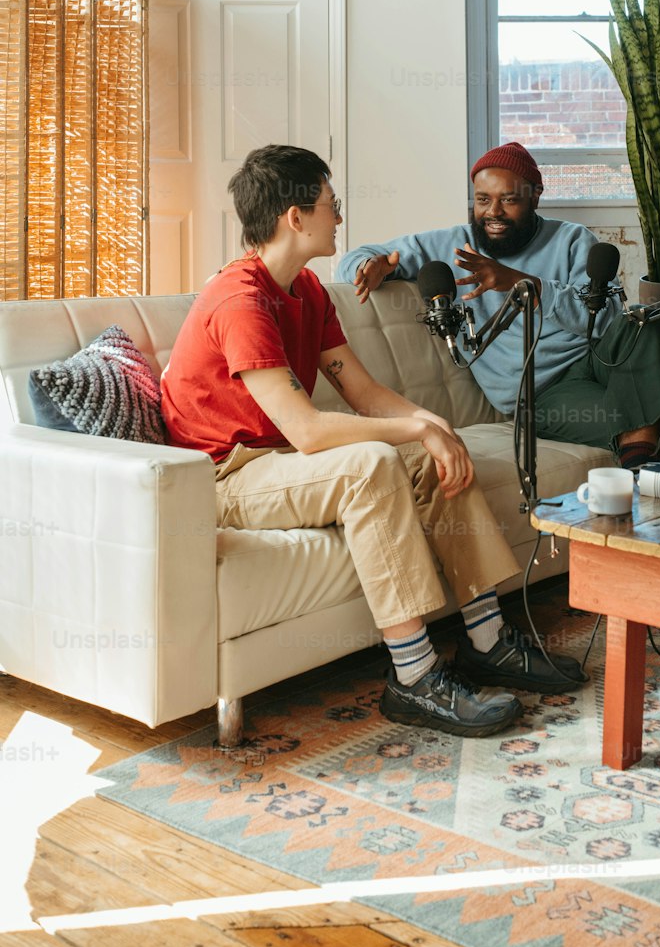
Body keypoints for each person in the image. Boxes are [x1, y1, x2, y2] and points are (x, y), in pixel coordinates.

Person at [160, 144, 585, 740]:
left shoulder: (306, 290)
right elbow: (306, 429)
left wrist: (434, 429)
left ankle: (489, 642)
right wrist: (413, 429)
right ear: (295, 217)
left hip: (277, 461)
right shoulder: (241, 300)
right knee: (371, 464)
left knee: (427, 450)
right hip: (227, 475)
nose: (340, 218)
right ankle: (414, 678)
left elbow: (363, 392)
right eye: (332, 206)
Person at [336, 142, 660, 470]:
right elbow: (357, 258)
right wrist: (373, 268)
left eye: (508, 200)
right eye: (483, 199)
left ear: (535, 196)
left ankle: (654, 468)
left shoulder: (572, 239)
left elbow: (606, 320)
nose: (493, 212)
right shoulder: (453, 245)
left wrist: (526, 284)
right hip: (541, 394)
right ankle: (656, 464)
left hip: (600, 361)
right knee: (637, 419)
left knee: (643, 320)